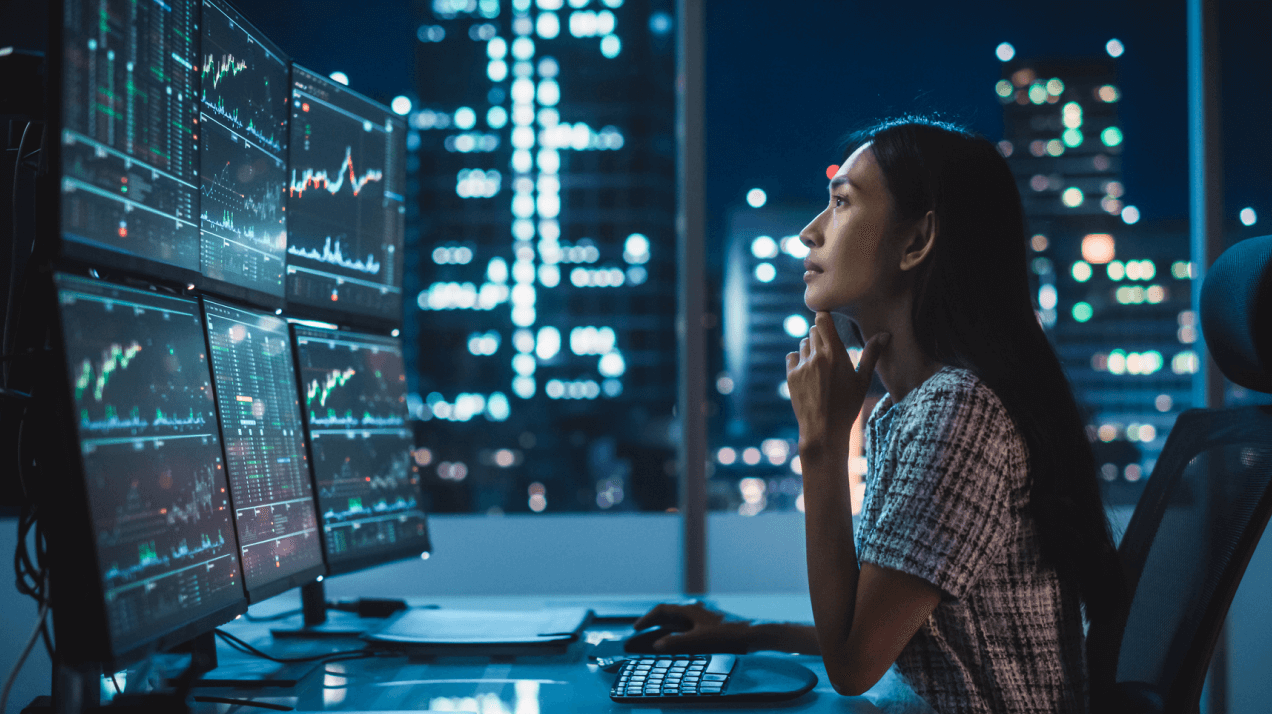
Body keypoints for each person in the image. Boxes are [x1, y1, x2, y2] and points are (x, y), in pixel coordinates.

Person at [634, 117, 1129, 714]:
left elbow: (853, 664)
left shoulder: (959, 413)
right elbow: (887, 628)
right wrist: (748, 632)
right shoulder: (911, 409)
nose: (809, 234)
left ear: (915, 242)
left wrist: (820, 441)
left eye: (841, 204)